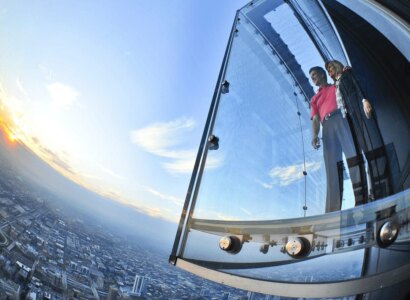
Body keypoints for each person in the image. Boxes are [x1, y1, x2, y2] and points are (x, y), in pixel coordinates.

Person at [325, 60, 390, 200]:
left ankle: (383, 189)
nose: (329, 71)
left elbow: (357, 86)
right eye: (328, 70)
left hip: (359, 110)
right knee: (365, 150)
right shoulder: (336, 84)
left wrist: (364, 100)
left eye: (330, 68)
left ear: (337, 65)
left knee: (372, 145)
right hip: (351, 117)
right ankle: (374, 191)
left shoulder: (347, 74)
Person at [309, 66, 367, 212]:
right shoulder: (314, 99)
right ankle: (332, 210)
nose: (313, 78)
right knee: (332, 167)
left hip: (341, 119)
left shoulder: (335, 86)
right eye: (311, 77)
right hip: (327, 127)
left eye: (315, 74)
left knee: (353, 156)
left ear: (323, 74)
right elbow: (315, 119)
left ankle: (362, 200)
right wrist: (315, 135)